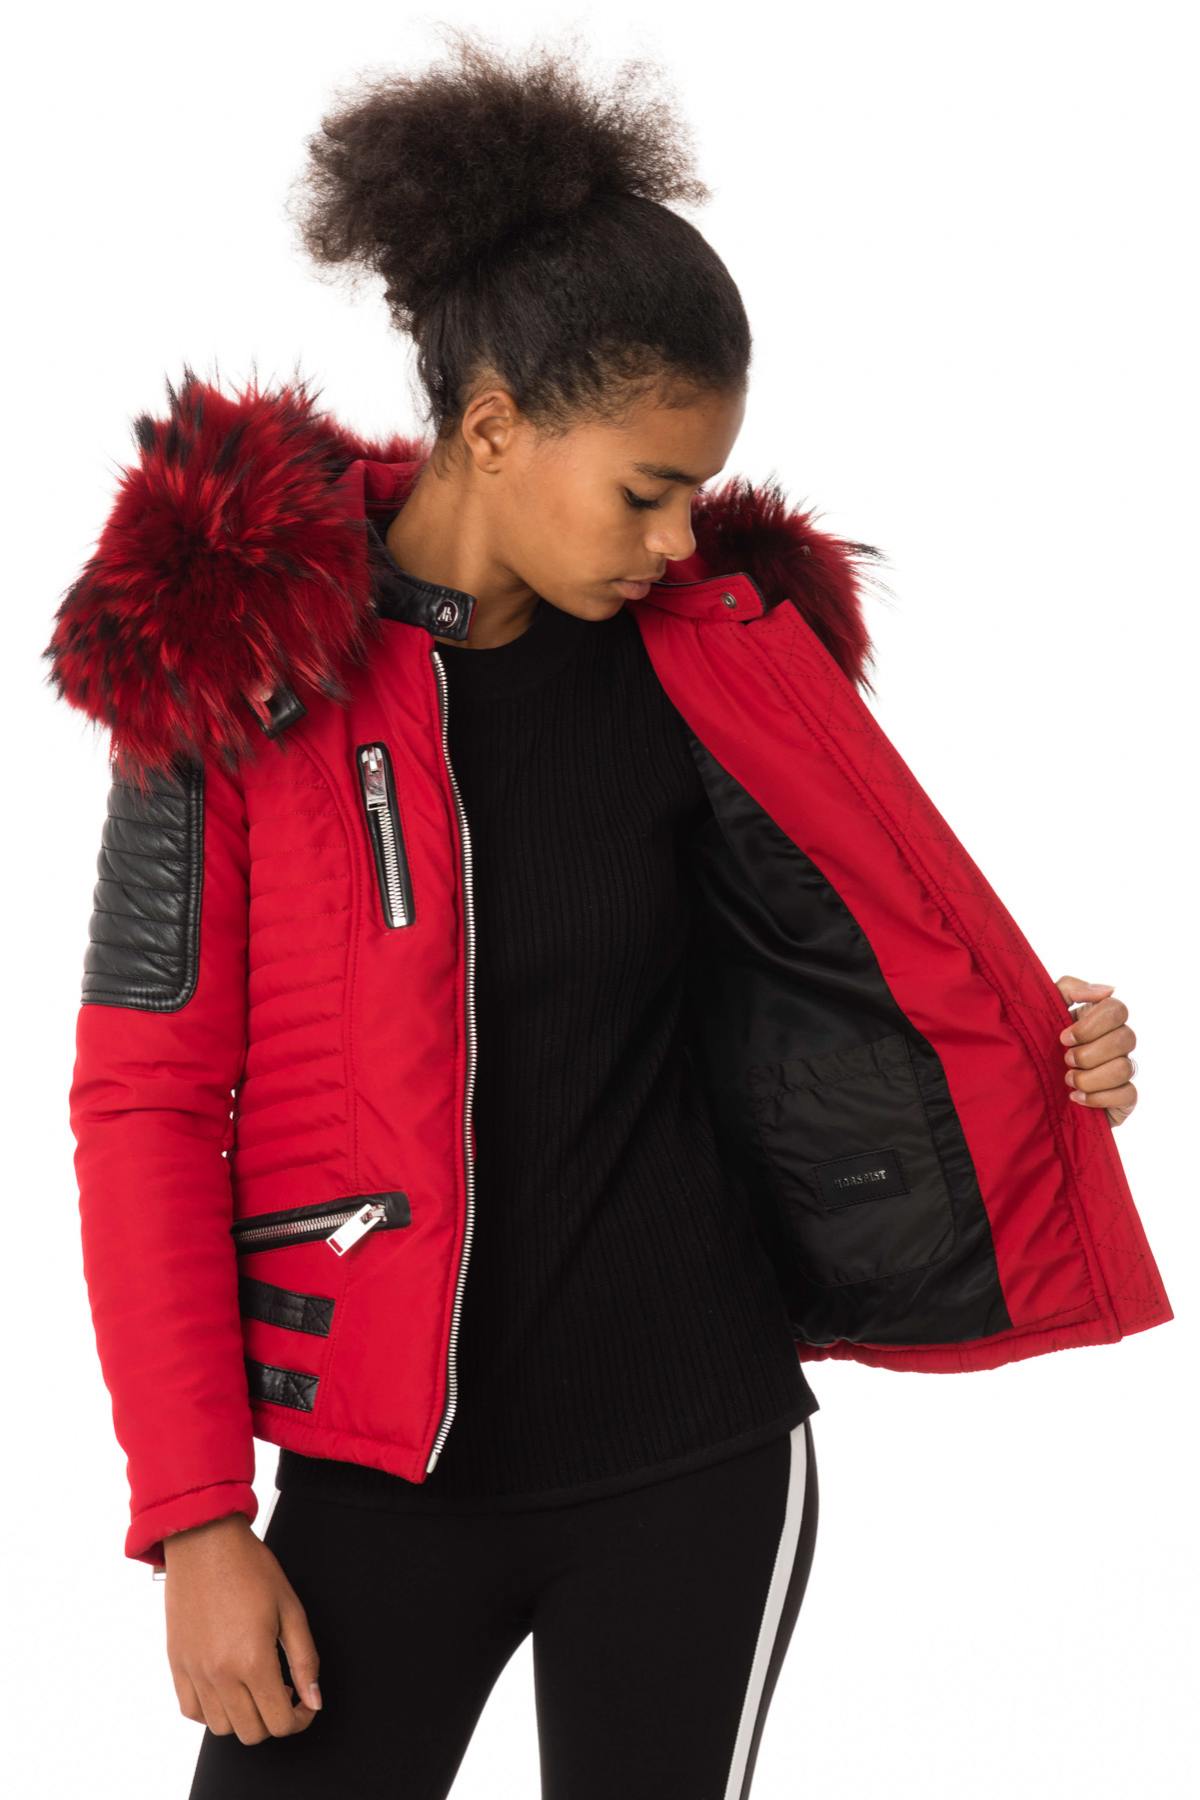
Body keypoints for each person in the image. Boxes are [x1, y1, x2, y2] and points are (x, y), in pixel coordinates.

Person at [42, 26, 1167, 1800]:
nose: (677, 539)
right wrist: (195, 1516)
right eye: (647, 489)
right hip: (378, 1476)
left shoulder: (716, 664)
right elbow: (148, 1105)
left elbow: (836, 974)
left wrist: (1042, 1048)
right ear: (494, 426)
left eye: (699, 492)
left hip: (694, 1453)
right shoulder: (237, 672)